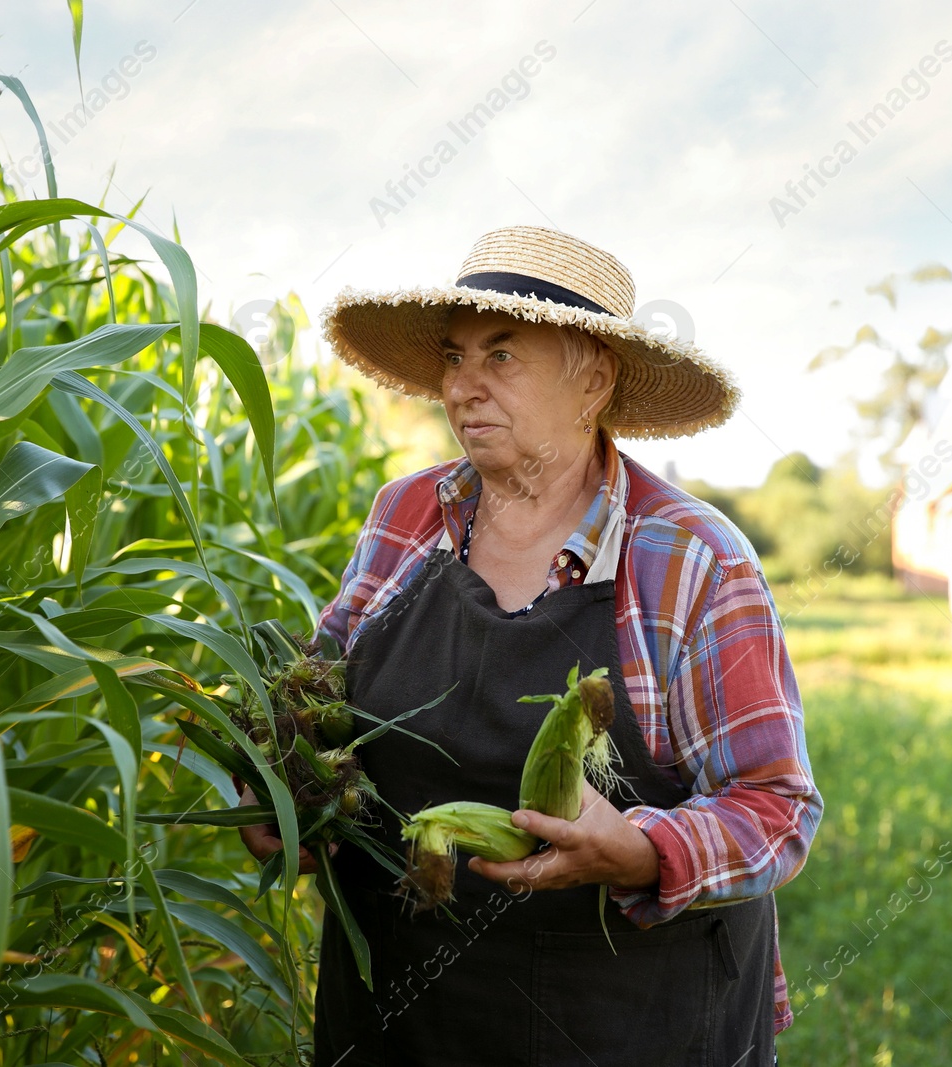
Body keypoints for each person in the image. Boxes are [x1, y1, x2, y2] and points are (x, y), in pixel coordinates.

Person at [239, 225, 822, 1066]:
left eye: (501, 356)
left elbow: (777, 807)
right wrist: (280, 784)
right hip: (400, 1017)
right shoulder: (406, 516)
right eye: (453, 356)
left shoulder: (692, 558)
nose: (462, 387)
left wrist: (640, 850)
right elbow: (317, 696)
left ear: (594, 379)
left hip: (627, 1027)